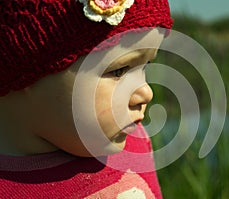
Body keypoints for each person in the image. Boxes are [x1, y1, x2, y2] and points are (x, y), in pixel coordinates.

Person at [0, 0, 173, 198]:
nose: (146, 93)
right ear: (27, 71)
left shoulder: (135, 144)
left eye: (145, 66)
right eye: (118, 71)